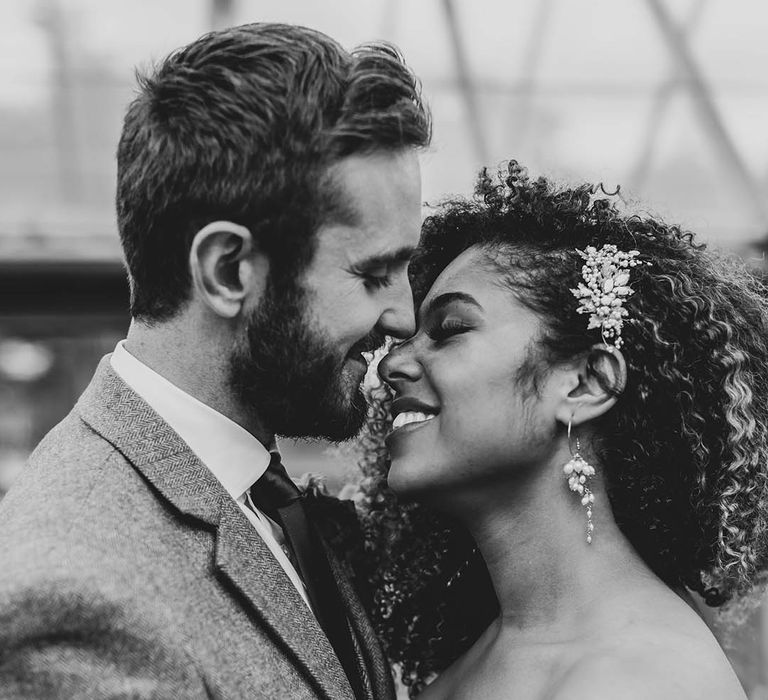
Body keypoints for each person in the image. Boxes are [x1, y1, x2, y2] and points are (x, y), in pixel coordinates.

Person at [0, 23, 430, 699]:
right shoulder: (78, 603)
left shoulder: (275, 497)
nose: (405, 318)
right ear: (228, 270)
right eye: (374, 274)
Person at [353, 161, 768, 699]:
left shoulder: (640, 680)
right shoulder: (495, 650)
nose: (392, 365)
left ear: (586, 384)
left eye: (450, 329)